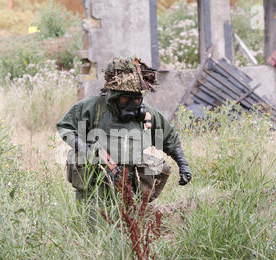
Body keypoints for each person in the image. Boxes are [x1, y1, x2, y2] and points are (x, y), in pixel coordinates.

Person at [56, 57, 192, 213]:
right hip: (95, 181)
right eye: (124, 98)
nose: (130, 104)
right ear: (113, 95)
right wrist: (83, 147)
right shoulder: (93, 107)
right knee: (96, 224)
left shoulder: (147, 114)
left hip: (130, 182)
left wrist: (183, 165)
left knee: (129, 223)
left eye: (135, 100)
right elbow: (65, 126)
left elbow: (169, 139)